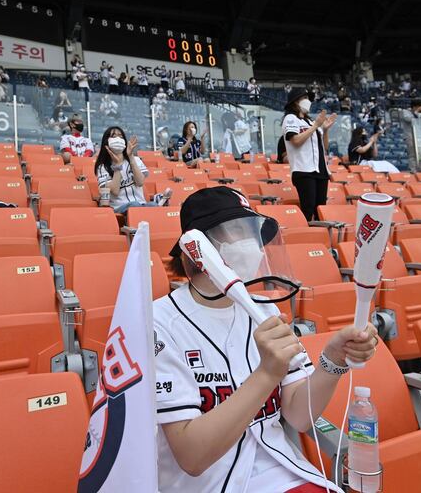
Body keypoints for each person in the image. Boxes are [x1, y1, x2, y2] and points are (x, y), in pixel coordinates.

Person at [154, 185, 378, 492]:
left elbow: (299, 417)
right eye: (239, 231)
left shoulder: (262, 308)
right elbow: (192, 457)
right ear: (198, 248)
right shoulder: (158, 323)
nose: (255, 246)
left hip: (284, 473)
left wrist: (332, 361)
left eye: (254, 233)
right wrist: (267, 374)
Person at [282, 87, 337, 221]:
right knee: (308, 208)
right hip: (303, 169)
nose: (308, 101)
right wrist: (315, 126)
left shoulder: (311, 121)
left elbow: (324, 147)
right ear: (295, 102)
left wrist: (325, 129)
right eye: (304, 98)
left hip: (320, 170)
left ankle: (320, 238)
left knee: (320, 209)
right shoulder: (290, 118)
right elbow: (295, 141)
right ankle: (306, 238)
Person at [95, 126, 168, 212]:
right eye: (114, 136)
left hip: (141, 204)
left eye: (121, 136)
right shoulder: (103, 167)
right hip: (119, 207)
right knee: (135, 205)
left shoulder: (136, 160)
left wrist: (131, 157)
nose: (118, 139)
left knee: (153, 205)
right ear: (106, 142)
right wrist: (117, 165)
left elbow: (140, 182)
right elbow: (115, 191)